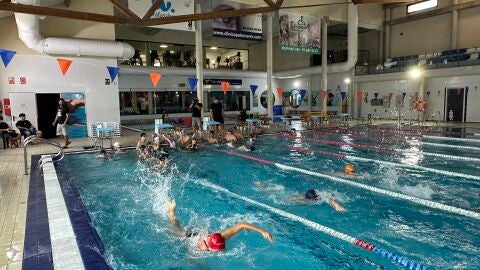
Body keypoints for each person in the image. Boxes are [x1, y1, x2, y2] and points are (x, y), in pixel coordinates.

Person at [167, 199, 273, 252]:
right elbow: (190, 257)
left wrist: (262, 231)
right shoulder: (203, 247)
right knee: (177, 229)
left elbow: (241, 225)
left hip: (202, 235)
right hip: (191, 237)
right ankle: (171, 210)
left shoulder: (222, 236)